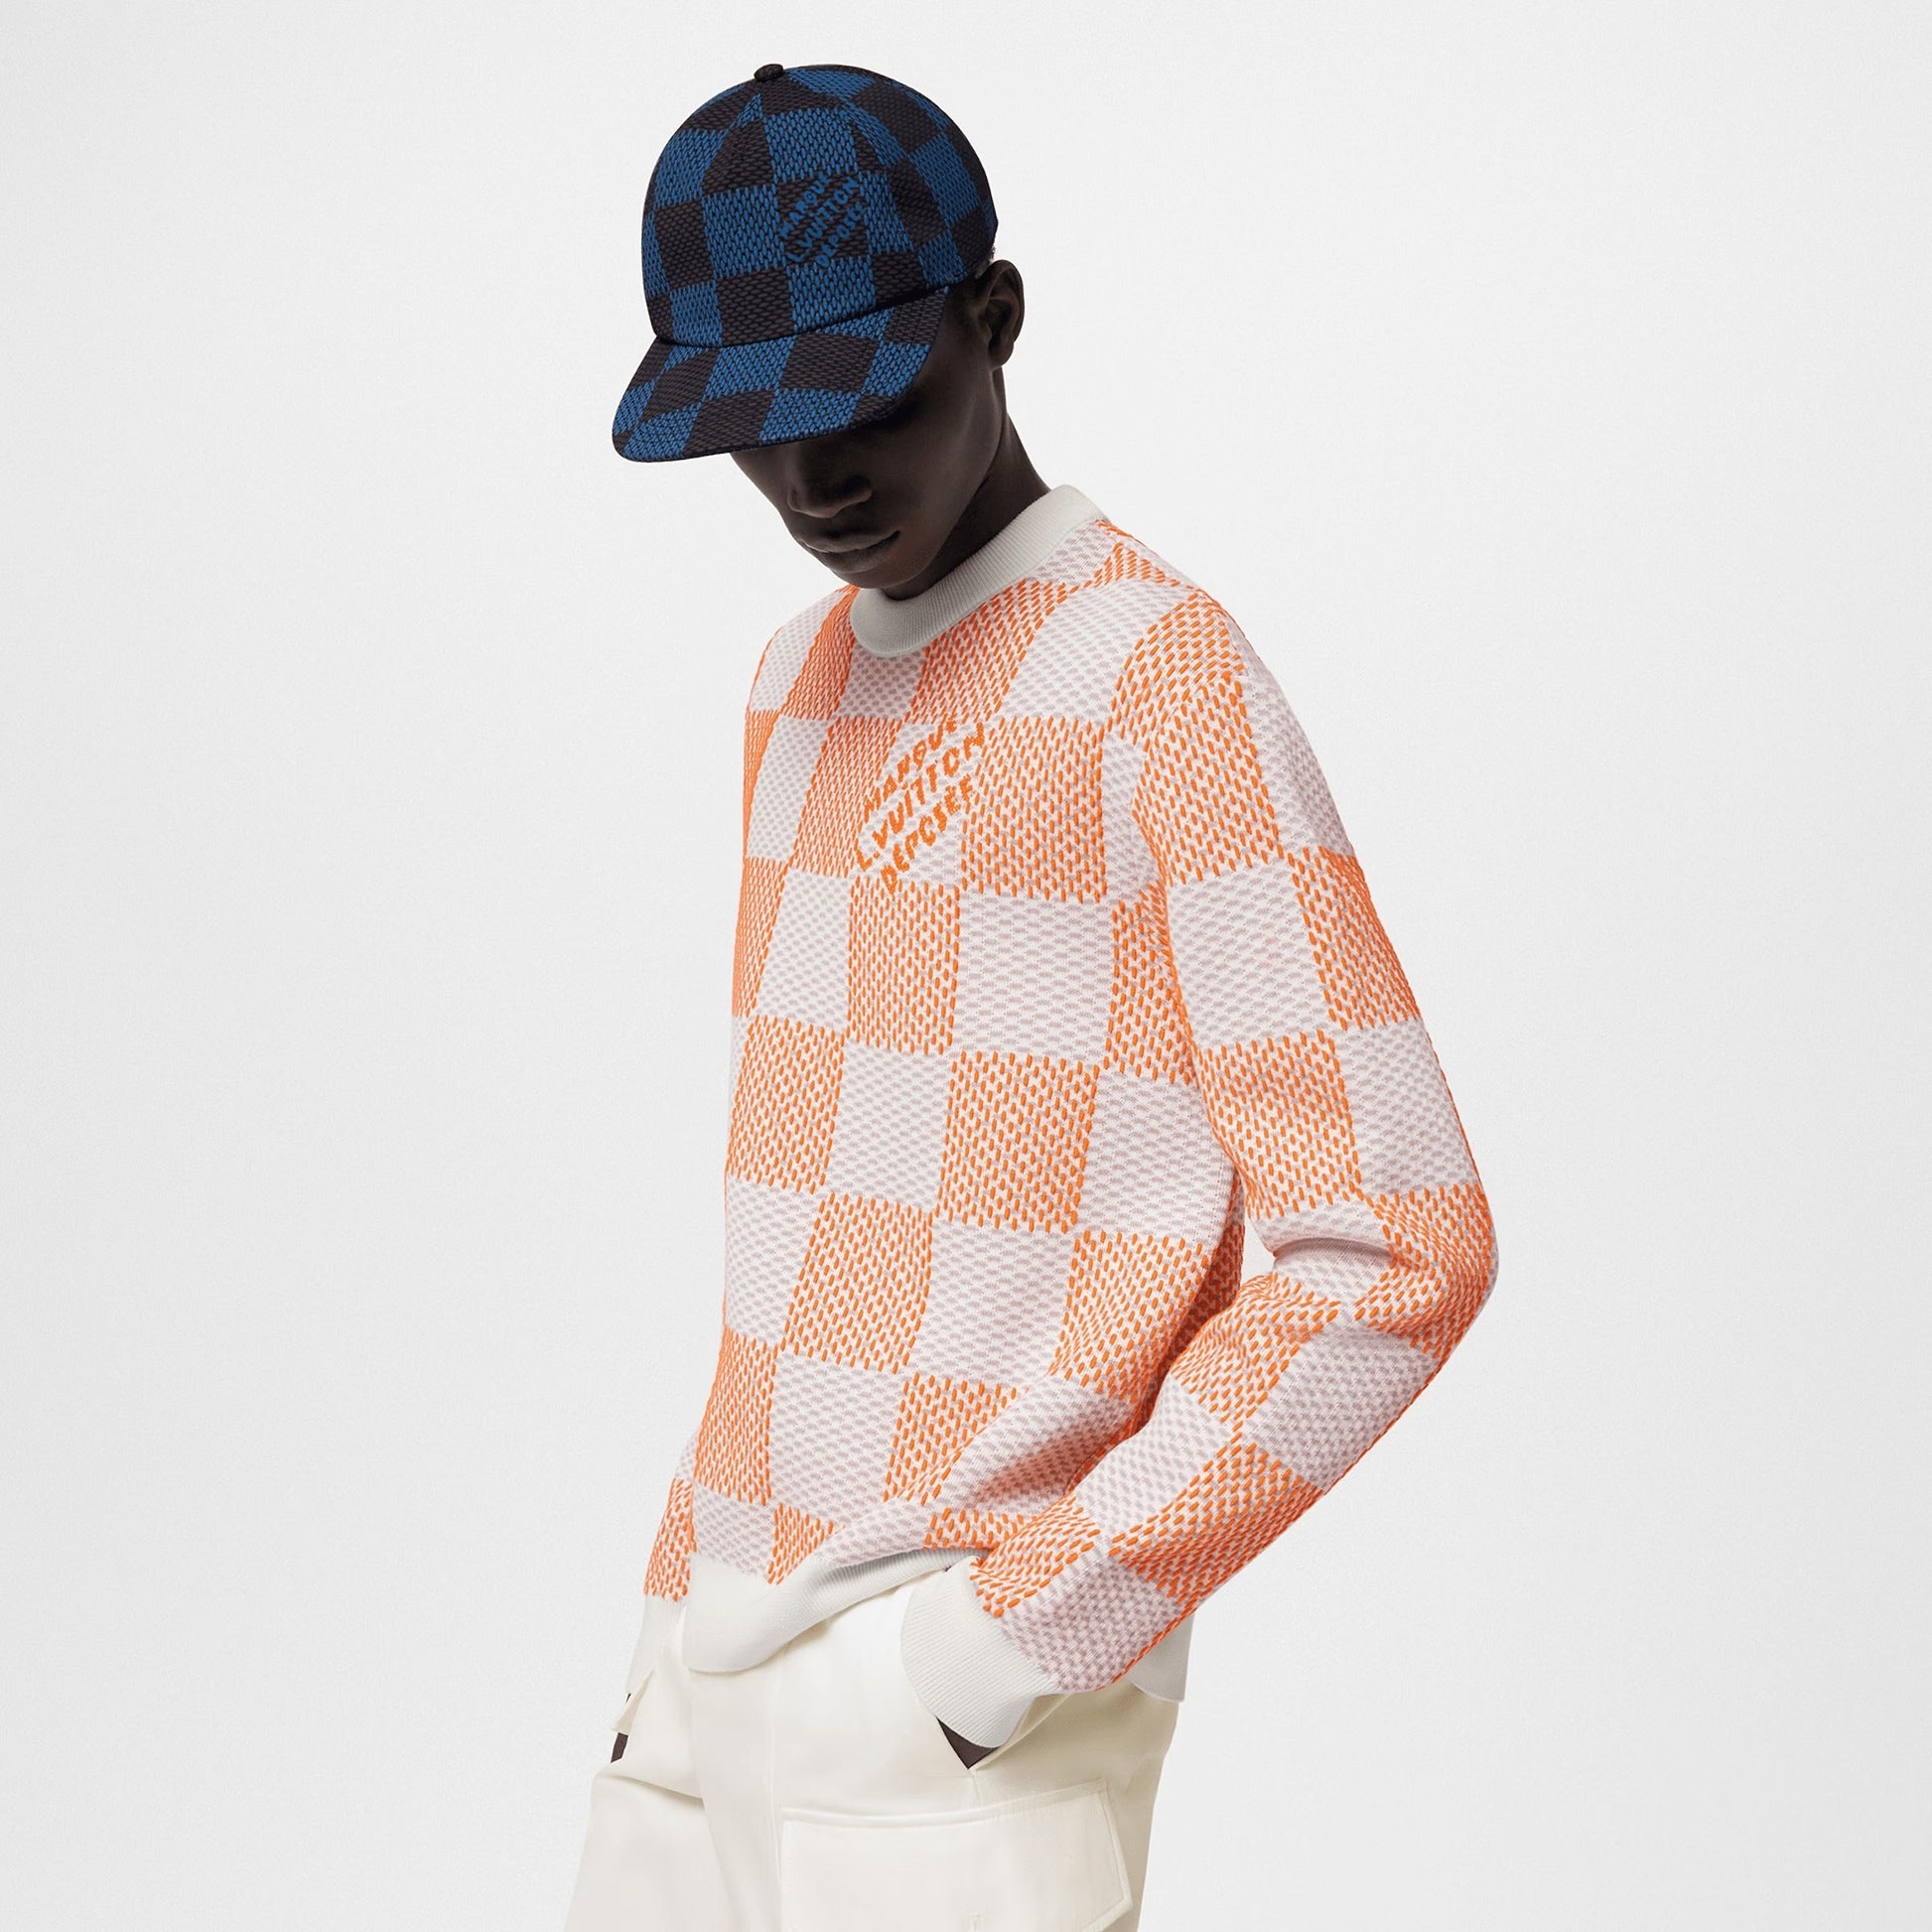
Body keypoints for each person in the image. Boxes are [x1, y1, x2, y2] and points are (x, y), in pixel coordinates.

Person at [564, 61, 1498, 1932]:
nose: (815, 480)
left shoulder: (1157, 676)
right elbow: (811, 1214)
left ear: (991, 317)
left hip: (947, 1700)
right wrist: (675, 1604)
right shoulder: (789, 683)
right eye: (755, 428)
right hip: (704, 1667)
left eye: (866, 400)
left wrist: (1005, 1645)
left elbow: (1400, 1236)